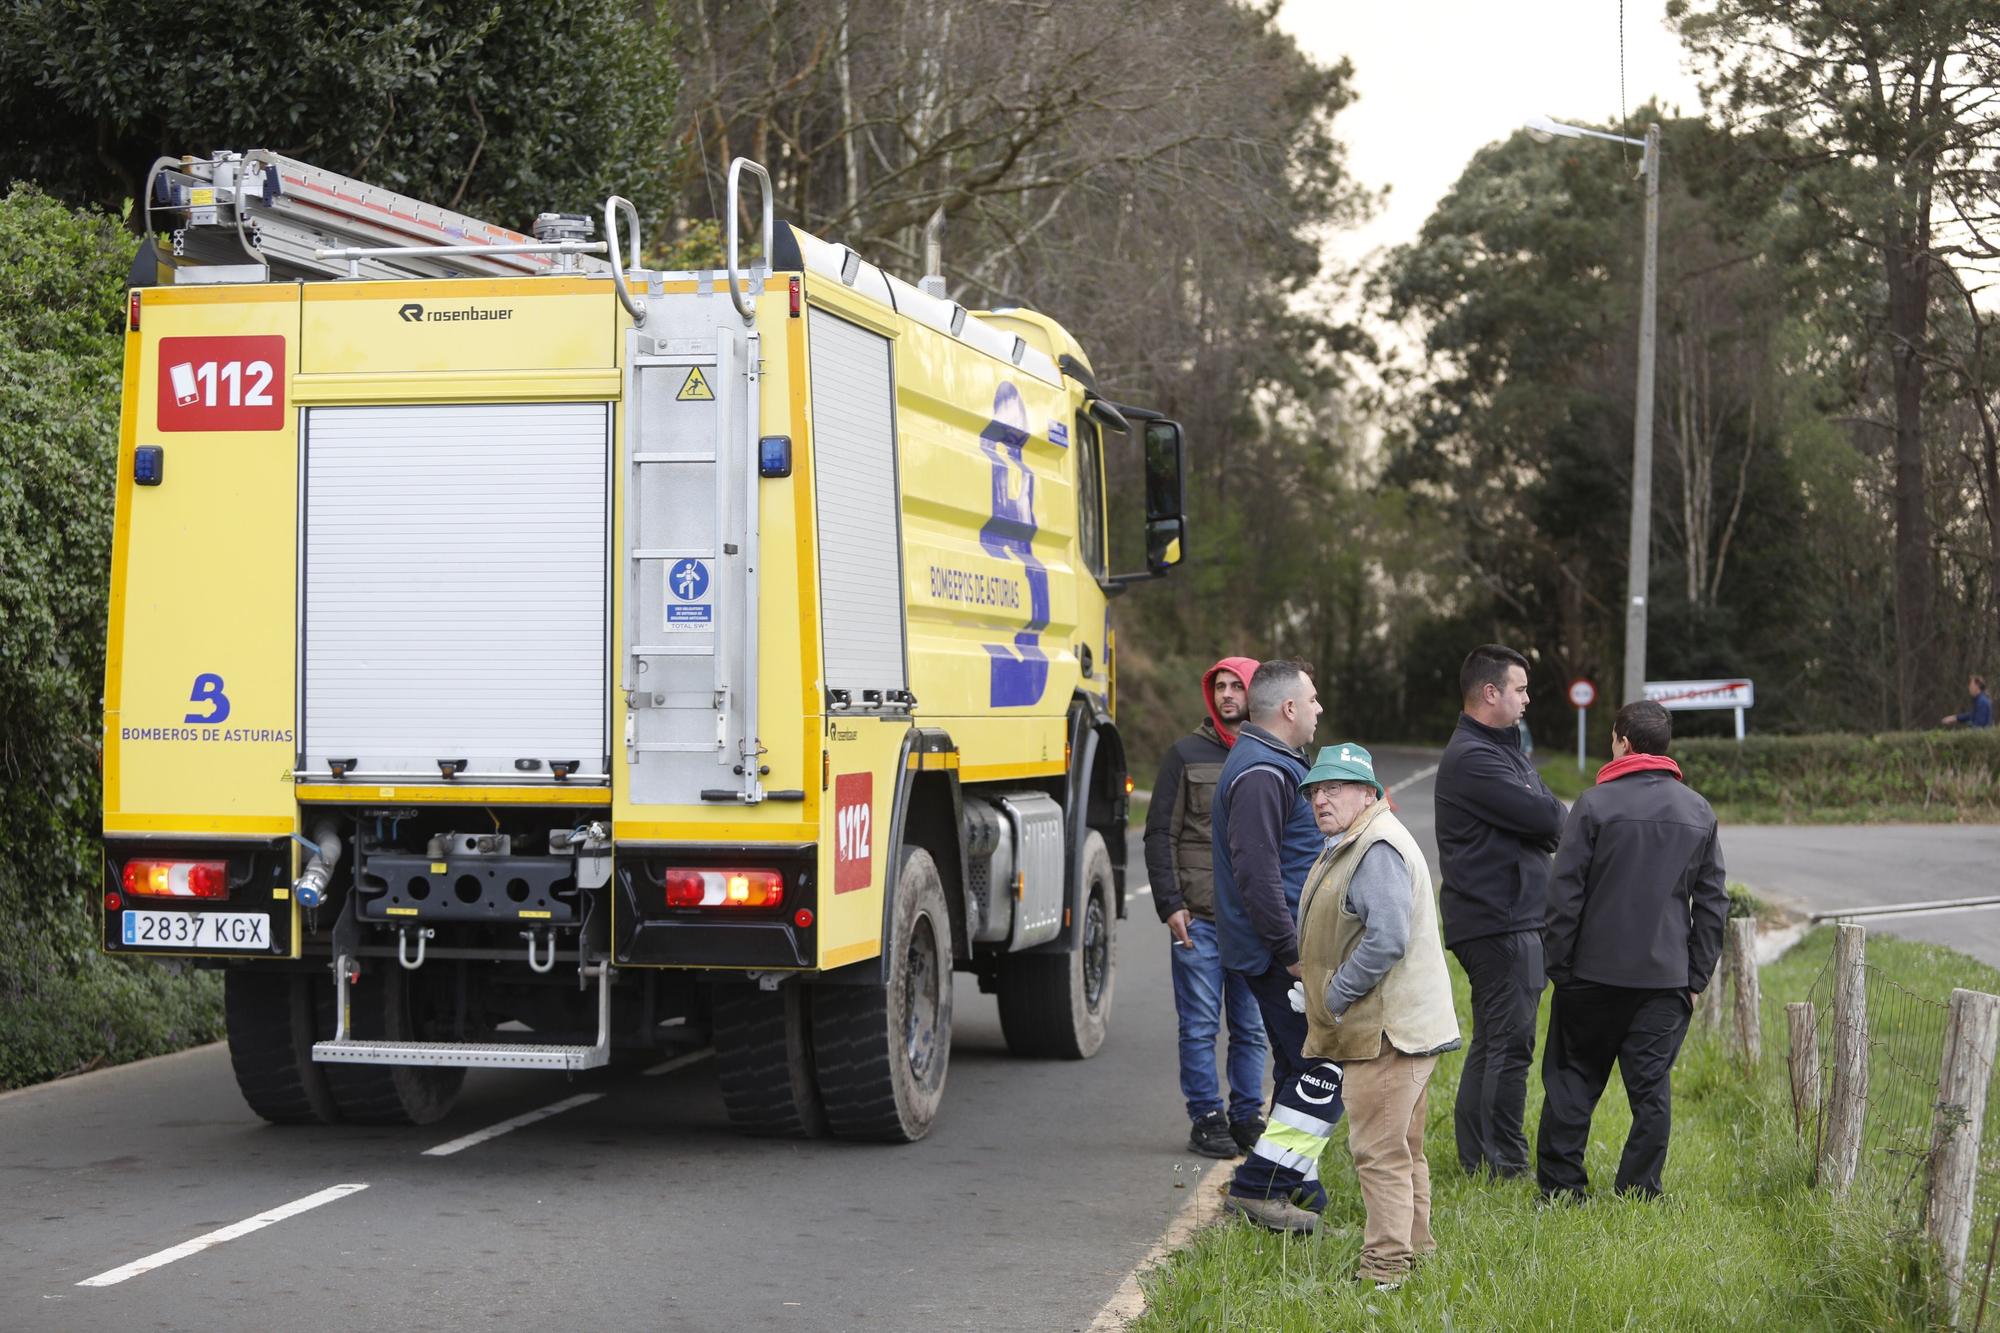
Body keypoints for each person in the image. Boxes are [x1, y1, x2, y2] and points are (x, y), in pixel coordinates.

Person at [1537, 700, 1729, 1202]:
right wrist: (1695, 979)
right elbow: (1712, 903)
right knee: (1651, 1091)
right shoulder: (1698, 810)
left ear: (1622, 741)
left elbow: (1564, 895)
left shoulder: (1594, 805)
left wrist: (1561, 967)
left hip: (1591, 976)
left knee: (1572, 1081)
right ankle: (1640, 1190)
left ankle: (1561, 1189)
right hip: (1665, 980)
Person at [1295, 743, 1460, 1287]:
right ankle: (1418, 1254)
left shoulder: (1375, 847)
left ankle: (1385, 1273)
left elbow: (1386, 939)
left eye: (1334, 787)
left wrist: (1335, 994)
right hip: (1395, 1027)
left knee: (1379, 1152)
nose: (1322, 798)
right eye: (1316, 789)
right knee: (1405, 1149)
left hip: (1387, 1032)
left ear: (1368, 791)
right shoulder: (1357, 839)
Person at [1434, 643, 1564, 1180]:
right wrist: (1546, 811)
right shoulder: (1476, 757)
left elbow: (1550, 810)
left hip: (1508, 918)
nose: (1528, 699)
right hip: (1499, 921)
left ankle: (1481, 1158)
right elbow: (1548, 817)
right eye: (1520, 689)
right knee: (1510, 1044)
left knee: (1497, 1040)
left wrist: (1546, 809)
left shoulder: (1501, 750)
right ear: (1491, 693)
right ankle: (1502, 1164)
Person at [1210, 660, 1331, 1231]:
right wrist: (1292, 954)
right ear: (1288, 708)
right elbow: (1257, 876)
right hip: (1278, 954)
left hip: (1277, 949)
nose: (1318, 709)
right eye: (1312, 699)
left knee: (1295, 1068)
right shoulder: (1262, 771)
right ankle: (1261, 1188)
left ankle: (1300, 1185)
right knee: (1321, 1069)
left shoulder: (1271, 762)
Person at [1144, 656, 1269, 1159]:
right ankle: (1206, 1116)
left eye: (1236, 686)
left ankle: (1246, 1117)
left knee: (1251, 1027)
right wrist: (1169, 904)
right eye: (1219, 686)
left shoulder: (1272, 754)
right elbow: (1159, 833)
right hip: (1197, 920)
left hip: (1256, 923)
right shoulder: (1184, 754)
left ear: (1254, 694)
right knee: (1198, 1025)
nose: (1226, 695)